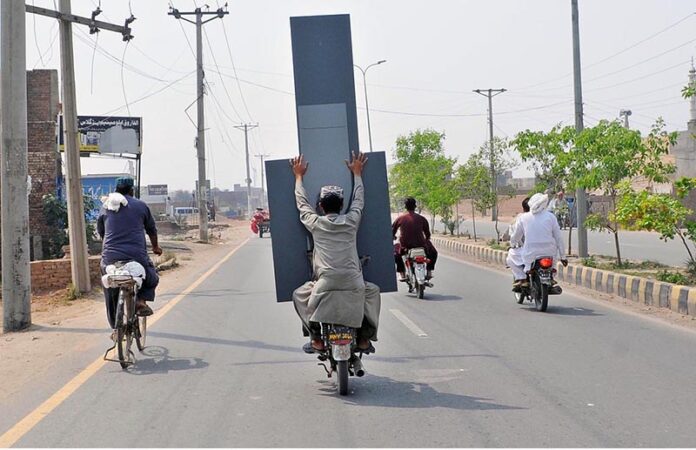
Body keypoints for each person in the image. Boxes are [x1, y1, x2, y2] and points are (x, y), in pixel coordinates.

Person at [290, 152, 381, 354]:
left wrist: (298, 177)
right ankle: (365, 339)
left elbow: (302, 203)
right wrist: (357, 173)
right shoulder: (351, 221)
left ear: (320, 207)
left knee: (298, 295)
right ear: (341, 206)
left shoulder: (315, 223)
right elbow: (358, 199)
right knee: (373, 292)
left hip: (325, 284)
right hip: (353, 283)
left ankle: (316, 338)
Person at [97, 177, 162, 332]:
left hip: (110, 257)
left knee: (110, 288)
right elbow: (151, 230)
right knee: (152, 276)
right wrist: (155, 247)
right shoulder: (140, 206)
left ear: (116, 189)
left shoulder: (105, 206)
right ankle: (140, 301)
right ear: (132, 190)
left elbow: (101, 232)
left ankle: (115, 328)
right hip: (136, 256)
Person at [510, 193, 568, 287]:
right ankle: (551, 276)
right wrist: (563, 257)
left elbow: (516, 236)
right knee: (553, 263)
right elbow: (559, 238)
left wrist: (512, 243)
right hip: (549, 252)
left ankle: (524, 277)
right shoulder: (551, 217)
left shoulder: (523, 218)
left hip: (530, 254)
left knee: (513, 254)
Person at [392, 197, 438, 281]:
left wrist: (393, 236)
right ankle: (429, 271)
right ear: (415, 206)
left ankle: (402, 274)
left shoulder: (400, 219)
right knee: (434, 253)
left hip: (405, 246)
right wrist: (427, 239)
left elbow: (392, 231)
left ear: (405, 207)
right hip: (421, 245)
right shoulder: (422, 219)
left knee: (396, 254)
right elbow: (427, 233)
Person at [508, 197, 530, 291]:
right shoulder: (547, 217)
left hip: (526, 250)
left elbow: (515, 236)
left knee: (510, 258)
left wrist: (512, 243)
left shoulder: (520, 218)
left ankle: (522, 278)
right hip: (547, 250)